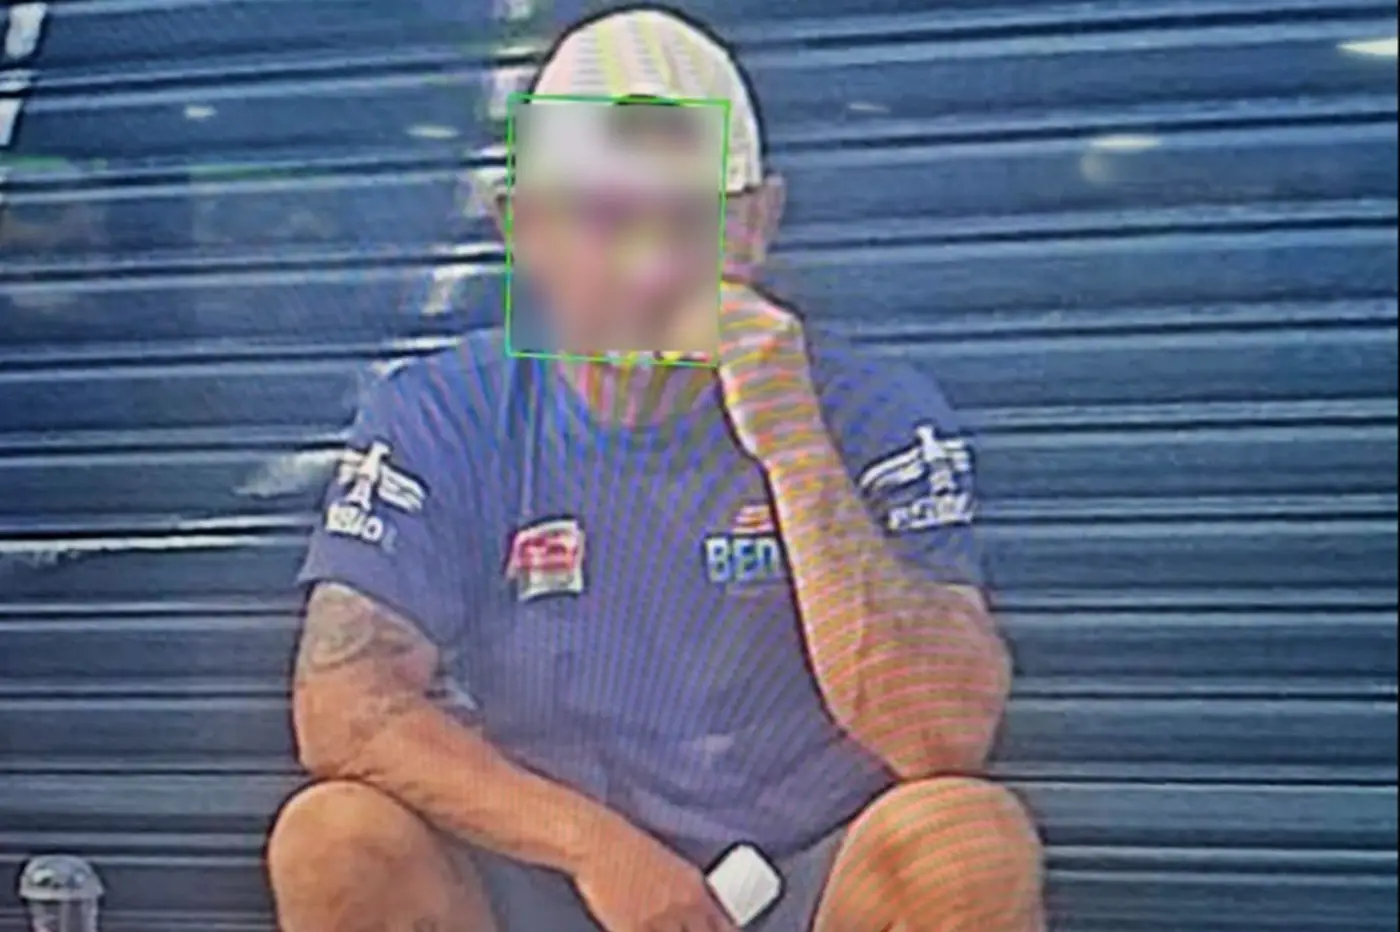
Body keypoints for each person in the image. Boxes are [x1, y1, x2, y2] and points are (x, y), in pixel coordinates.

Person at [266, 7, 1045, 931]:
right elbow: (342, 703)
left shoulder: (872, 408)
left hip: (793, 879)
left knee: (968, 842)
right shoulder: (444, 411)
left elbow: (944, 733)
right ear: (523, 228)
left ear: (757, 225)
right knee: (334, 841)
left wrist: (795, 447)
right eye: (603, 220)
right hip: (554, 875)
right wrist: (595, 849)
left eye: (687, 220)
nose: (647, 268)